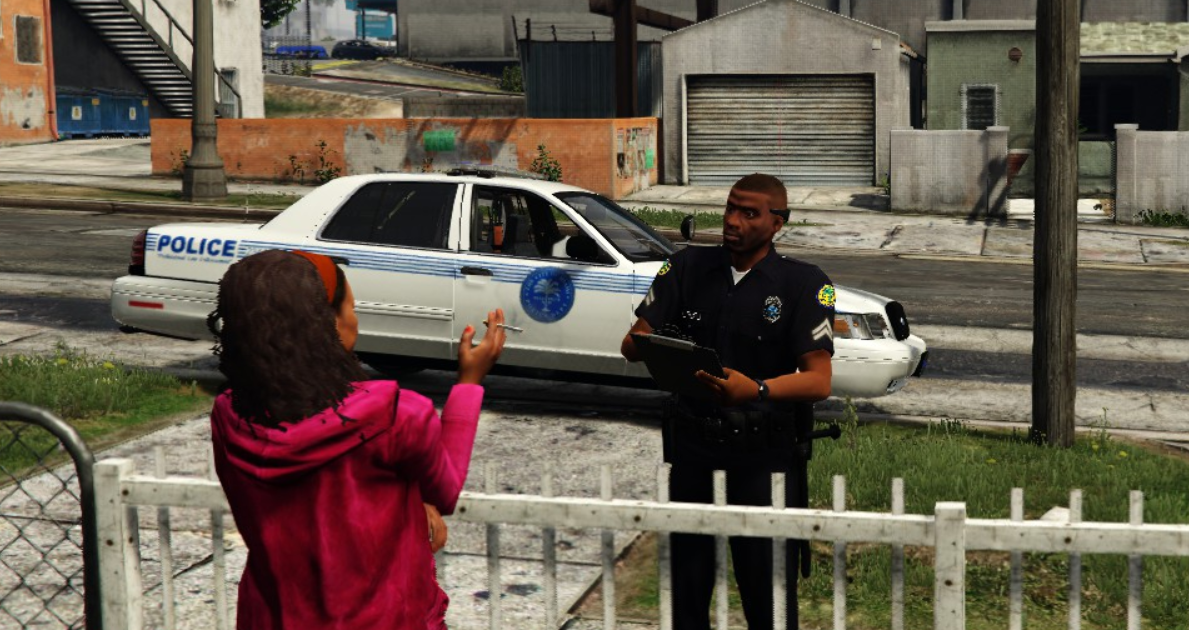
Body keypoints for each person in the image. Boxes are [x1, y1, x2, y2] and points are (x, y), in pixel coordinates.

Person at [206, 249, 506, 629]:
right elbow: (444, 491)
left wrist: (410, 501)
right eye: (351, 307)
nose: (355, 318)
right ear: (327, 323)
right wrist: (468, 382)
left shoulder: (229, 415)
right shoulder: (396, 414)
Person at [620, 173, 835, 630]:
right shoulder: (686, 267)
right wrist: (659, 344)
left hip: (762, 459)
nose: (733, 221)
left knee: (768, 595)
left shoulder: (805, 284)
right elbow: (632, 343)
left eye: (749, 213)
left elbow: (819, 381)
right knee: (688, 589)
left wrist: (756, 390)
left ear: (777, 223)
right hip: (694, 451)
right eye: (730, 209)